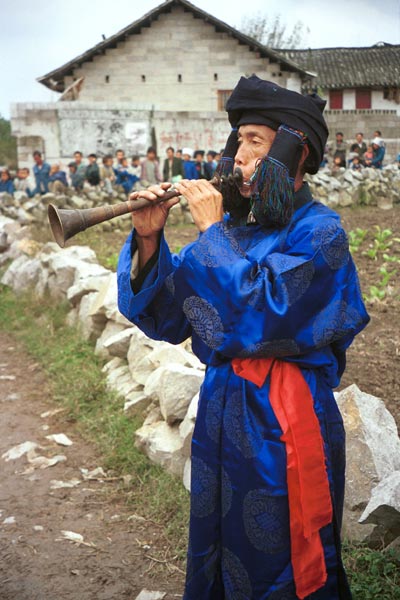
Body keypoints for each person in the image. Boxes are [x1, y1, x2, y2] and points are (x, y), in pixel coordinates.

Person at [117, 75, 369, 599]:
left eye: (256, 141)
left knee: (284, 559)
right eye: (239, 140)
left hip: (283, 422)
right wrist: (148, 238)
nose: (238, 155)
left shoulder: (322, 233)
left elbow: (266, 314)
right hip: (222, 415)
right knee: (216, 546)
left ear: (292, 153)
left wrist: (209, 234)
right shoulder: (237, 230)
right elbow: (168, 317)